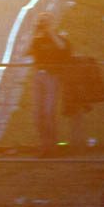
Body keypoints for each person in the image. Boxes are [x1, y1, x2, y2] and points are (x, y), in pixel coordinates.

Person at [27, 13, 72, 157]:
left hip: (52, 76)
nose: (43, 24)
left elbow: (63, 48)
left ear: (52, 23)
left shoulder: (59, 38)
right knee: (37, 114)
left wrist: (50, 31)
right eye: (41, 22)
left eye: (46, 22)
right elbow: (26, 52)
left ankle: (53, 146)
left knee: (49, 112)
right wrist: (34, 32)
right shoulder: (37, 40)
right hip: (38, 76)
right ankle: (44, 146)